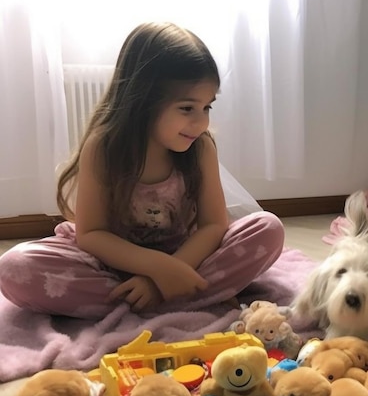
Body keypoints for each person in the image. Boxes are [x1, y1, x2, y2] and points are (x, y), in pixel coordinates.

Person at [0, 22, 285, 318]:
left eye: (207, 107)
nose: (200, 122)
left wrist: (171, 271)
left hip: (185, 258)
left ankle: (153, 297)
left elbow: (214, 225)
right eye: (187, 108)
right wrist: (157, 268)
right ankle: (178, 296)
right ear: (144, 101)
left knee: (268, 228)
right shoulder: (103, 148)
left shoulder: (201, 148)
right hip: (112, 265)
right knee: (15, 266)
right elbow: (91, 234)